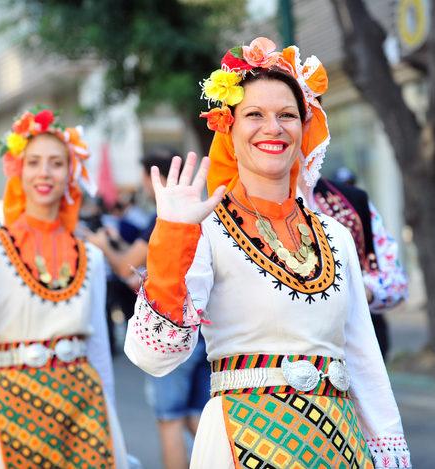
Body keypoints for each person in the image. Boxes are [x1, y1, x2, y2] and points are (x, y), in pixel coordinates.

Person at [125, 37, 411, 468]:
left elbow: (364, 362)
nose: (273, 128)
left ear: (305, 128)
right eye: (254, 115)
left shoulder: (335, 234)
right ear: (229, 128)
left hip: (339, 444)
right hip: (244, 438)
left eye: (287, 116)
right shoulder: (205, 230)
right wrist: (172, 235)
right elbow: (154, 356)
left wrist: (390, 455)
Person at [0, 107, 127, 468]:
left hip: (85, 402)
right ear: (18, 169)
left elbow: (98, 351)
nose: (45, 173)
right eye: (33, 162)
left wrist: (112, 427)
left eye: (56, 162)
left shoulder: (91, 258)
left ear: (71, 173)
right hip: (17, 397)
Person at [89, 149, 210, 469]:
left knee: (169, 420)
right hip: (202, 331)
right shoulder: (207, 212)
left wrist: (104, 247)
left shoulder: (165, 219)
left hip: (168, 330)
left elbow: (130, 271)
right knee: (199, 420)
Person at [305, 171, 408, 358]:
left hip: (355, 342)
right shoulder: (240, 205)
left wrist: (362, 291)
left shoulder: (352, 200)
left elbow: (395, 281)